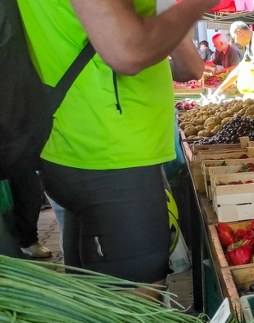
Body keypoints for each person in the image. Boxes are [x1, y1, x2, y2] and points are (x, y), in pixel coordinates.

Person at [18, 0, 217, 293]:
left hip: (74, 146)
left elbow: (189, 68)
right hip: (113, 154)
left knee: (97, 301)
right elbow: (128, 51)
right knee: (137, 309)